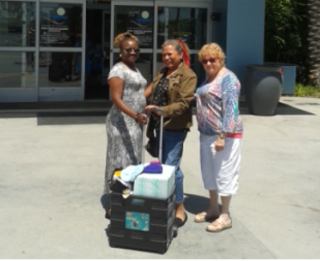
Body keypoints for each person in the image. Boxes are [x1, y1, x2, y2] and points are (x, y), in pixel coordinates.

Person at [142, 39, 198, 227]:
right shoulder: (162, 72)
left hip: (175, 127)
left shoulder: (188, 75)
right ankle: (165, 204)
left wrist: (160, 110)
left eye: (169, 54)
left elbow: (184, 104)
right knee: (168, 167)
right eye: (163, 54)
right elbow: (149, 91)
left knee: (170, 168)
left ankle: (179, 208)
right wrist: (132, 104)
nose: (166, 58)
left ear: (180, 54)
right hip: (158, 126)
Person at [193, 43, 244, 233]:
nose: (208, 63)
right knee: (209, 173)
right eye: (204, 60)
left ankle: (225, 215)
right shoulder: (209, 78)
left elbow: (231, 109)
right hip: (206, 135)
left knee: (224, 174)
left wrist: (222, 135)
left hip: (224, 136)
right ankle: (213, 208)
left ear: (220, 59)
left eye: (212, 59)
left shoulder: (228, 79)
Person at [103, 32, 148, 218]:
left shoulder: (135, 70)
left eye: (135, 49)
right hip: (120, 124)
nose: (132, 52)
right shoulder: (118, 70)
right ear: (120, 51)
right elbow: (116, 99)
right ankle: (114, 205)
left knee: (132, 161)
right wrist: (135, 115)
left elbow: (141, 94)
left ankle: (127, 198)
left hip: (136, 123)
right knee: (119, 162)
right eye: (128, 49)